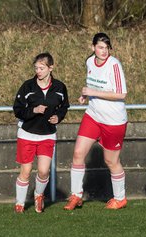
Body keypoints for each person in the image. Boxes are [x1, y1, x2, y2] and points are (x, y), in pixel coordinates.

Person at [64, 33, 128, 210]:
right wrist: (85, 95)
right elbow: (93, 83)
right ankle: (76, 195)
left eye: (106, 48)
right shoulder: (90, 61)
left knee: (111, 161)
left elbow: (121, 94)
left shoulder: (114, 65)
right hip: (93, 115)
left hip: (113, 121)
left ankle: (120, 198)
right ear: (92, 47)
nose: (104, 51)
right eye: (100, 47)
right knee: (78, 153)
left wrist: (92, 92)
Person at [13, 52, 69, 213]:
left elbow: (64, 107)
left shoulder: (60, 87)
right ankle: (20, 203)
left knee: (44, 171)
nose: (38, 71)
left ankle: (39, 195)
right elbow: (17, 110)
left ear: (51, 68)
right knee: (26, 171)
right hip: (27, 134)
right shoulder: (27, 86)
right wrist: (34, 110)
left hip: (47, 135)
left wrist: (58, 117)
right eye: (36, 68)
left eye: (42, 68)